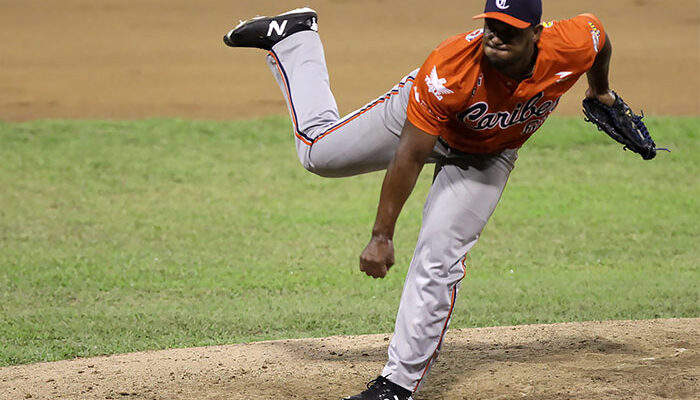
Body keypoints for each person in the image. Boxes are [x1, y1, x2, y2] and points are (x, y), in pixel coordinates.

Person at [223, 1, 616, 398]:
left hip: (489, 154)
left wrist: (600, 92)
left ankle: (396, 386)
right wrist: (381, 236)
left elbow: (599, 39)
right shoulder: (450, 68)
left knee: (440, 256)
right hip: (419, 121)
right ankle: (295, 39)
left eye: (510, 29)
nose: (497, 36)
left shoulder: (571, 43)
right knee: (317, 154)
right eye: (492, 26)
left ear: (536, 33)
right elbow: (408, 156)